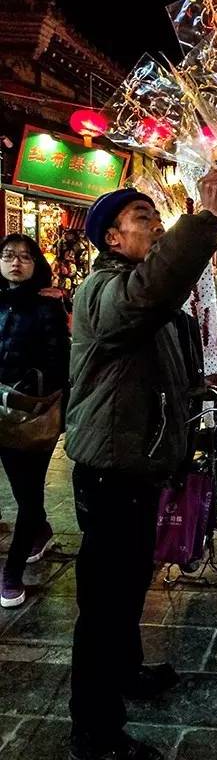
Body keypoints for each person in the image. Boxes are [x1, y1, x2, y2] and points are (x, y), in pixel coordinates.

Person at [65, 168, 217, 760]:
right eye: (144, 218)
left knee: (130, 581)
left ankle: (126, 671)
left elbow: (173, 372)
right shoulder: (106, 292)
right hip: (109, 471)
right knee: (104, 601)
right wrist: (205, 221)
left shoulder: (153, 304)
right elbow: (151, 292)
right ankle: (94, 731)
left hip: (140, 469)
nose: (156, 225)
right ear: (112, 238)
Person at [0, 235, 70, 609]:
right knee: (20, 491)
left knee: (27, 495)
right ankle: (39, 530)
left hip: (30, 415)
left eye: (25, 257)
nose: (16, 263)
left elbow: (60, 362)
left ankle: (12, 572)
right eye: (9, 256)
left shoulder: (48, 306)